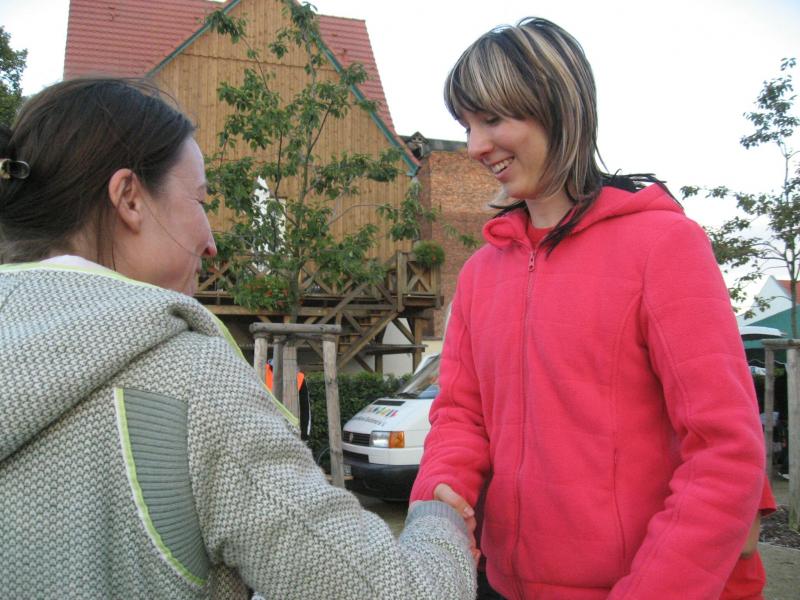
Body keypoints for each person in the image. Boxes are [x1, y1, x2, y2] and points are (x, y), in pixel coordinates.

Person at [0, 77, 475, 599]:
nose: (211, 242)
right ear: (130, 199)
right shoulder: (190, 382)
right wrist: (439, 520)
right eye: (201, 201)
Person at [409, 18, 765, 599]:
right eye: (467, 125)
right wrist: (442, 488)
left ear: (555, 106)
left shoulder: (664, 247)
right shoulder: (479, 274)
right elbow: (460, 416)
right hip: (501, 586)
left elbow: (725, 451)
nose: (474, 146)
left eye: (492, 119)